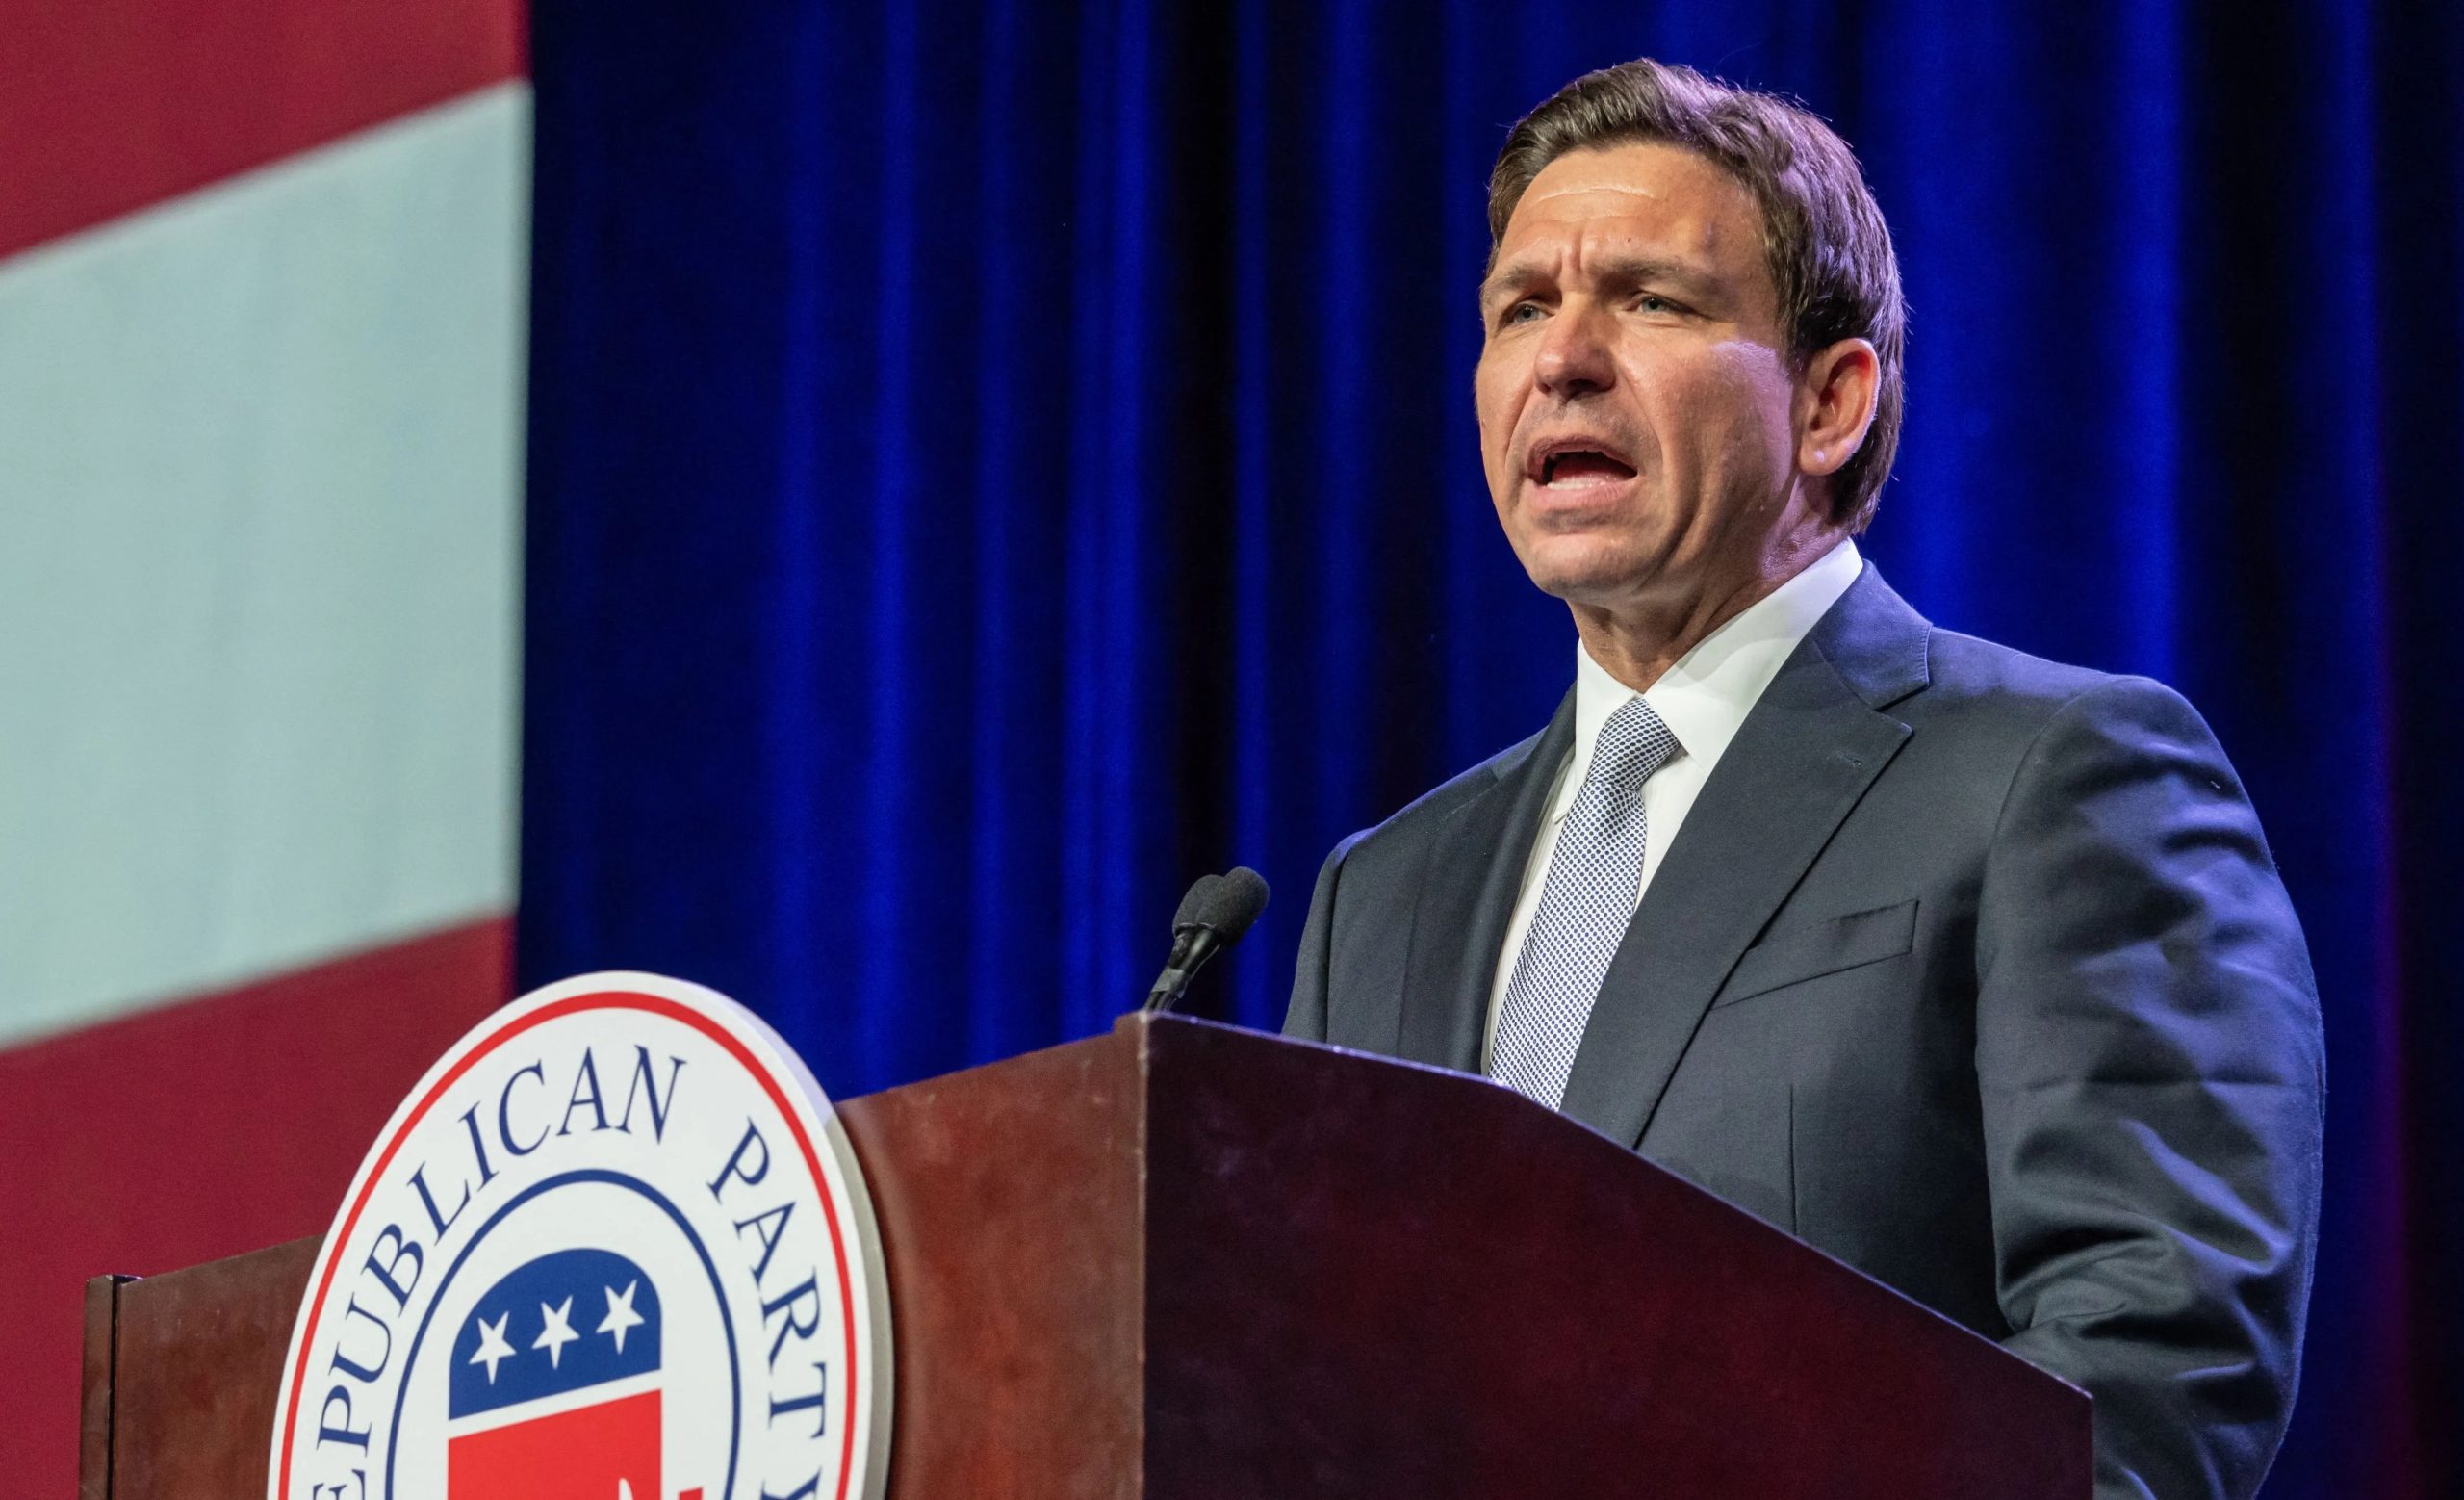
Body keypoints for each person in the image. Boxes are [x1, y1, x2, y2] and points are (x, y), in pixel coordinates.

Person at [1283, 58, 2323, 1500]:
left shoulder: (2058, 782)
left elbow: (2139, 1388)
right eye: (1522, 307)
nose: (1561, 358)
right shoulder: (1378, 896)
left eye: (1650, 299)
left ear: (1831, 403)